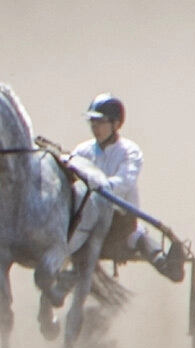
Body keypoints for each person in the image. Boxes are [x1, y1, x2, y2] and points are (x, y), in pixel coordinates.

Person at [69, 94, 185, 282]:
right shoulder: (82, 151)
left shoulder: (129, 151)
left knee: (135, 236)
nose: (94, 127)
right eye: (92, 121)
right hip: (86, 221)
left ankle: (165, 263)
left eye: (100, 121)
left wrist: (94, 187)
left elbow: (123, 184)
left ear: (115, 124)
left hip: (119, 225)